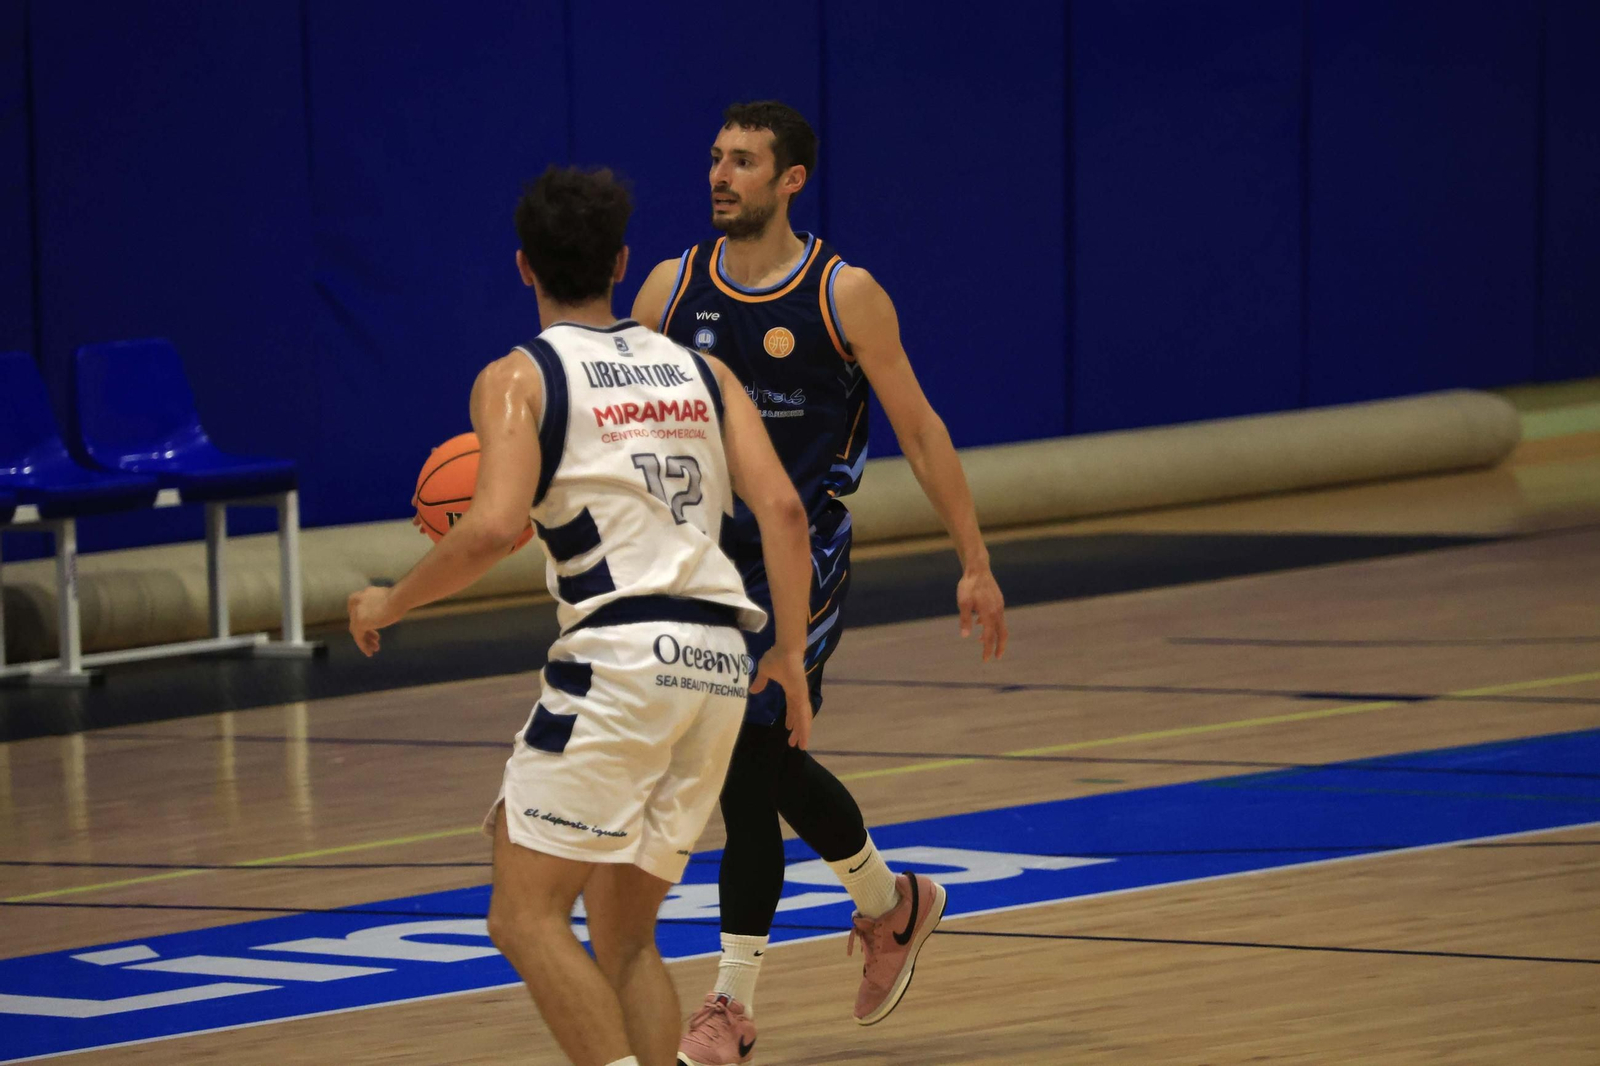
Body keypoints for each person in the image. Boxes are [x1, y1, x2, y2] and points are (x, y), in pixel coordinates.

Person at [348, 165, 813, 1066]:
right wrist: (788, 653)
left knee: (522, 916)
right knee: (626, 937)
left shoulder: (518, 378)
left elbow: (492, 527)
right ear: (622, 262)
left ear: (525, 265)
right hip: (719, 662)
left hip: (622, 658)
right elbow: (785, 512)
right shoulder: (704, 370)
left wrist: (389, 601)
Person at [630, 102, 1008, 1064]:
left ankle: (731, 1005)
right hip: (699, 560)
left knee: (749, 768)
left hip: (799, 555)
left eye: (744, 161)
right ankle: (891, 902)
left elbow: (920, 430)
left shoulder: (846, 295)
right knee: (756, 764)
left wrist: (974, 561)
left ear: (791, 179)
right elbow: (625, 420)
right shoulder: (670, 289)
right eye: (715, 157)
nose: (721, 175)